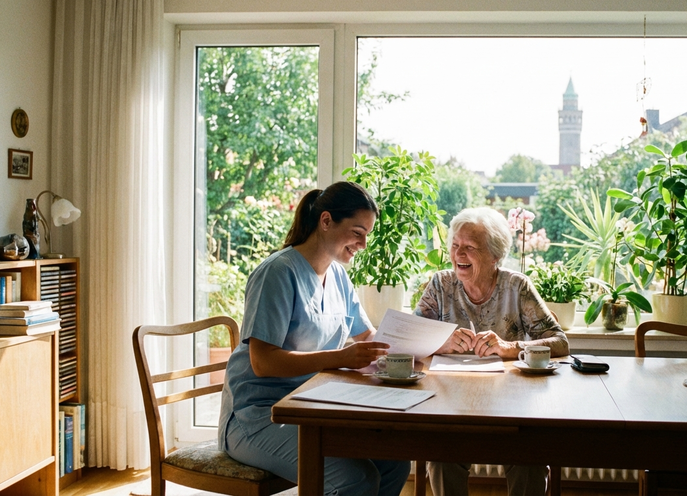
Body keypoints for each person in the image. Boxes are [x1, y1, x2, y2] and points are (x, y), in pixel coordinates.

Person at [218, 181, 410, 496]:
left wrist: (422, 346)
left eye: (366, 236)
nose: (362, 245)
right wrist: (340, 358)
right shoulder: (277, 273)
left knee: (394, 463)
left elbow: (370, 337)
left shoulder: (338, 277)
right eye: (357, 232)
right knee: (357, 479)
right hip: (257, 417)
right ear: (325, 221)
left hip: (312, 410)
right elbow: (262, 362)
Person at [414, 206, 569, 496]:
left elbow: (559, 341)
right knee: (441, 458)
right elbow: (408, 339)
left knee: (529, 462)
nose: (459, 254)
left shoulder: (517, 286)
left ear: (495, 255)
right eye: (455, 245)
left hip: (512, 407)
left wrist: (511, 347)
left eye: (470, 248)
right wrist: (441, 342)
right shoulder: (440, 284)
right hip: (450, 405)